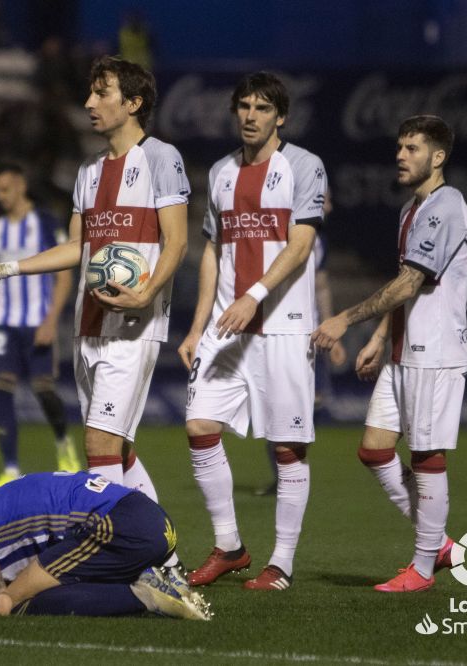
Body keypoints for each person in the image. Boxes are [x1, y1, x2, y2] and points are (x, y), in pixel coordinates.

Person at [0, 58, 189, 548]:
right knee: (118, 448)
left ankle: (115, 552)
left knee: (98, 445)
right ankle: (159, 551)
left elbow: (178, 242)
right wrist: (2, 268)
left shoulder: (161, 158)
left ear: (133, 103)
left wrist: (145, 293)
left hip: (134, 324)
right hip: (89, 324)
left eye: (101, 93)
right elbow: (76, 249)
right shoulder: (87, 170)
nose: (88, 103)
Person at [177, 72, 327, 591]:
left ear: (280, 116)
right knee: (199, 426)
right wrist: (196, 328)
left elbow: (300, 245)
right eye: (243, 106)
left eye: (262, 108)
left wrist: (253, 297)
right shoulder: (220, 172)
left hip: (282, 326)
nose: (250, 116)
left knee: (287, 446)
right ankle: (230, 547)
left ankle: (281, 562)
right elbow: (213, 254)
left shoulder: (304, 167)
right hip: (226, 326)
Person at [312, 115, 467, 592]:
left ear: (437, 157)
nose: (400, 155)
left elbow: (409, 281)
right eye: (399, 146)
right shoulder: (411, 210)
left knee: (426, 457)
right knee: (375, 449)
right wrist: (381, 337)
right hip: (404, 351)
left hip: (434, 353)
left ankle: (422, 569)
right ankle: (439, 544)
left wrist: (346, 319)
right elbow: (406, 288)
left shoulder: (447, 207)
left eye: (412, 148)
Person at [0, 472, 210, 620]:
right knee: (36, 591)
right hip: (146, 522)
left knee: (12, 601)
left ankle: (146, 595)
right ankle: (154, 584)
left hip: (121, 522)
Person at [0, 162, 78, 489]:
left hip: (37, 320)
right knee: (1, 388)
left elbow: (64, 274)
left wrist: (52, 320)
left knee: (43, 389)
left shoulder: (46, 222)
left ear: (21, 186)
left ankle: (64, 442)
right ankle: (9, 468)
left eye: (5, 189)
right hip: (3, 324)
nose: (1, 196)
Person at [256, 188, 346, 496]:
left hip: (311, 333)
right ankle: (284, 477)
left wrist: (331, 327)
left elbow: (320, 284)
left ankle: (291, 472)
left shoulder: (320, 242)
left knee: (311, 404)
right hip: (281, 331)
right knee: (278, 406)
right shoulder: (283, 236)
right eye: (326, 199)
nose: (331, 205)